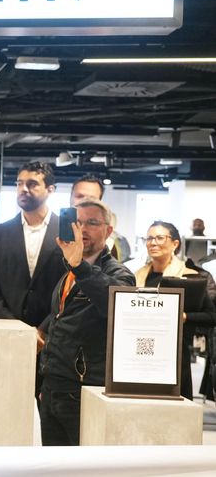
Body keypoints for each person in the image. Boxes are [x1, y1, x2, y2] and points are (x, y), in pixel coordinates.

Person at [38, 199, 134, 446]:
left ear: (108, 231)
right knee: (54, 466)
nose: (83, 229)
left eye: (92, 222)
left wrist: (80, 266)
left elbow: (115, 307)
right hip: (53, 389)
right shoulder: (69, 270)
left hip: (83, 392)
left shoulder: (119, 274)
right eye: (78, 222)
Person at [134, 221, 216, 400]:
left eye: (159, 238)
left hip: (174, 358)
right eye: (149, 238)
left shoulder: (190, 276)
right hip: (140, 355)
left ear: (175, 244)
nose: (153, 243)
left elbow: (211, 316)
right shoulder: (137, 276)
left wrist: (184, 317)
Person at [0, 161, 64, 332]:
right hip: (6, 332)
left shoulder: (66, 232)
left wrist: (43, 330)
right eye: (19, 184)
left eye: (32, 184)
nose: (24, 189)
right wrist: (16, 328)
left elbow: (70, 287)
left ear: (50, 190)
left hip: (53, 334)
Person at [69, 173, 130, 262]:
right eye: (80, 196)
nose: (85, 201)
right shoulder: (53, 230)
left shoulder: (110, 243)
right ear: (70, 197)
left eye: (91, 198)